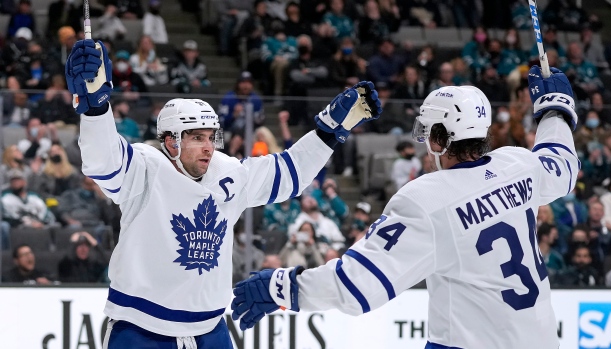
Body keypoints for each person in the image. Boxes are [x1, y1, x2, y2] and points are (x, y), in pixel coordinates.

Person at [232, 65, 580, 349]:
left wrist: (280, 286)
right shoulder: (517, 164)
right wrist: (555, 109)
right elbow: (561, 163)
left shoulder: (427, 199)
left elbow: (357, 287)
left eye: (428, 133)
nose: (425, 144)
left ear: (441, 139)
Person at [64, 39, 381, 348]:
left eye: (211, 137)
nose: (208, 147)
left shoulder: (228, 172)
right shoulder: (145, 169)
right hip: (140, 329)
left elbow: (291, 174)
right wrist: (95, 110)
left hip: (210, 329)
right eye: (197, 137)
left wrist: (328, 132)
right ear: (172, 142)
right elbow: (103, 162)